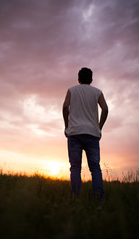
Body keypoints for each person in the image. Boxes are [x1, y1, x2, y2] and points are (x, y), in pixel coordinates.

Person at [62, 67, 108, 201]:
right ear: (91, 80)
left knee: (75, 167)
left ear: (78, 79)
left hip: (74, 133)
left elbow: (65, 107)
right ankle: (99, 200)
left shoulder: (72, 90)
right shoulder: (97, 92)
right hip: (92, 134)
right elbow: (105, 109)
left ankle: (76, 198)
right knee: (95, 168)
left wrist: (67, 126)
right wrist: (99, 127)